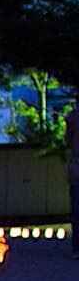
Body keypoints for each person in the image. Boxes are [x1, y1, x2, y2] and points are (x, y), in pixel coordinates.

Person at [68, 106, 79, 257]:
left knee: (76, 209)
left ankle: (77, 246)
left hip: (76, 166)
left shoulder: (73, 116)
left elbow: (68, 141)